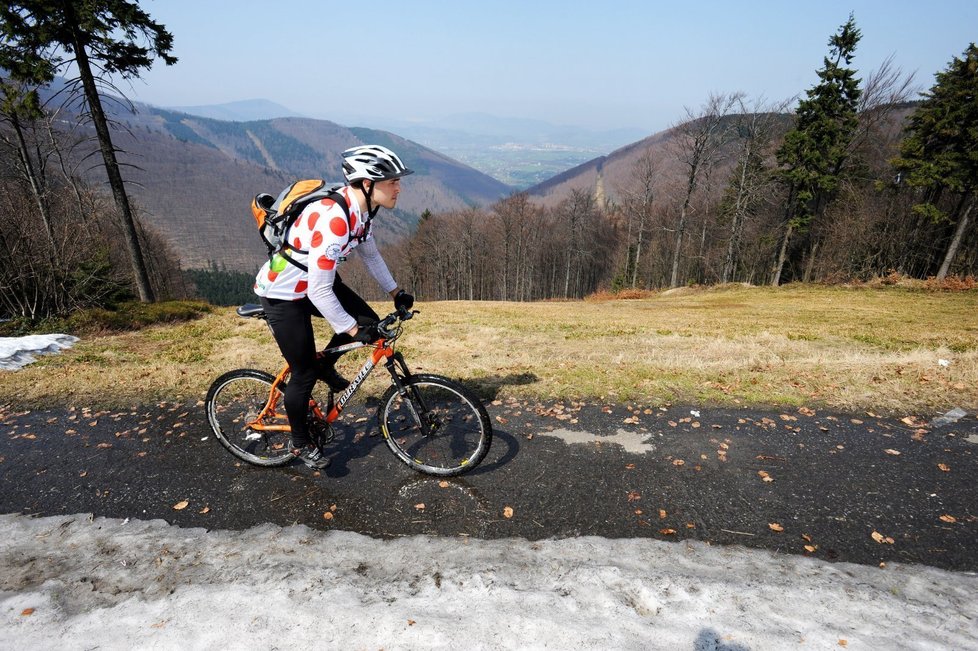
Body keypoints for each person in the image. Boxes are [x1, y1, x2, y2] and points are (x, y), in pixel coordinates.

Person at [253, 144, 415, 469]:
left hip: (316, 284)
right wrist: (353, 330)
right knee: (303, 374)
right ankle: (300, 442)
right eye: (391, 181)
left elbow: (370, 255)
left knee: (367, 318)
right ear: (367, 184)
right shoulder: (335, 222)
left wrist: (395, 291)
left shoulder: (362, 213)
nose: (398, 187)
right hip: (284, 295)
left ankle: (326, 366)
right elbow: (319, 291)